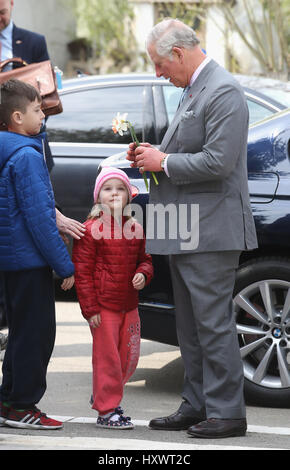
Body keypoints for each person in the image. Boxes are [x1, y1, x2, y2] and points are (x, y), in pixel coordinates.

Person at [127, 18, 258, 439]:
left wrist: (161, 162)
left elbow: (218, 163)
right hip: (186, 227)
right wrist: (153, 153)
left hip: (211, 229)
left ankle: (227, 413)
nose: (158, 72)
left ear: (179, 54)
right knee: (191, 325)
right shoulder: (195, 89)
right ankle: (197, 403)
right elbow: (187, 151)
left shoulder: (223, 91)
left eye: (160, 63)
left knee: (212, 323)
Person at [0, 79, 75, 429]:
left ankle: (9, 400)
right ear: (17, 116)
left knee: (20, 332)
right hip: (29, 262)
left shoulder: (11, 148)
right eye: (36, 110)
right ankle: (22, 405)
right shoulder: (26, 156)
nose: (43, 114)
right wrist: (64, 264)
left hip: (12, 261)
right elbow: (41, 220)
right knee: (37, 334)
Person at [72, 167, 153, 429]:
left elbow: (146, 260)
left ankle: (104, 394)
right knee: (107, 359)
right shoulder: (90, 229)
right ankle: (107, 410)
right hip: (104, 308)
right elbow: (82, 273)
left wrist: (143, 273)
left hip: (129, 305)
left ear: (129, 196)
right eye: (108, 189)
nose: (114, 193)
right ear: (98, 196)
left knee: (127, 357)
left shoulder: (135, 227)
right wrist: (90, 309)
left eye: (120, 189)